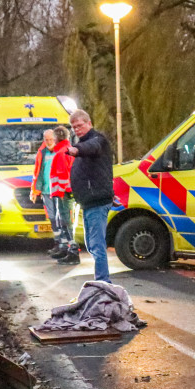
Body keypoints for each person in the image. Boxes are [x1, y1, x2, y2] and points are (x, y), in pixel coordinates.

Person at [67, 109, 113, 282]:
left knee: (97, 245)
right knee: (90, 244)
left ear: (89, 123)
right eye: (74, 127)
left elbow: (90, 148)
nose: (77, 129)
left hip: (97, 201)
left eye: (80, 125)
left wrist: (75, 150)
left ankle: (103, 281)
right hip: (87, 202)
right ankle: (101, 280)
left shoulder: (97, 141)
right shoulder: (83, 144)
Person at [48, 126, 78, 265]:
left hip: (63, 193)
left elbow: (62, 177)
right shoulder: (68, 150)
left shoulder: (60, 153)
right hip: (67, 192)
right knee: (65, 221)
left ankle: (72, 251)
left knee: (66, 221)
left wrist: (59, 193)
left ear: (57, 137)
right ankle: (67, 248)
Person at [30, 129, 63, 254]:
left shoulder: (60, 151)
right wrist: (34, 190)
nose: (49, 142)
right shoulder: (42, 153)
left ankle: (63, 244)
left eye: (51, 139)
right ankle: (57, 242)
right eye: (47, 140)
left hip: (58, 190)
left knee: (61, 218)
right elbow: (37, 172)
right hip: (46, 190)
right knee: (53, 218)